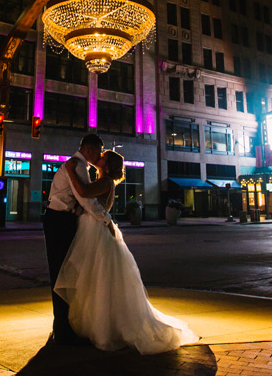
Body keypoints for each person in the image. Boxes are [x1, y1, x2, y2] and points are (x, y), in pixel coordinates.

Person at [55, 150, 198, 354]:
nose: (99, 158)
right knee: (95, 277)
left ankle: (104, 327)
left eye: (102, 156)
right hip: (93, 227)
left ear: (107, 164)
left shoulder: (105, 182)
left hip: (96, 230)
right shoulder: (104, 181)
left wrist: (70, 172)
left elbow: (84, 193)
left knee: (100, 277)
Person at [42, 133, 112, 345]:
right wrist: (105, 220)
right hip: (60, 221)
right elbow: (85, 199)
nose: (99, 156)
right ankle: (63, 328)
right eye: (98, 151)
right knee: (62, 273)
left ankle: (63, 325)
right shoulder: (78, 165)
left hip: (59, 220)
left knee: (64, 272)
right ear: (89, 149)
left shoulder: (76, 164)